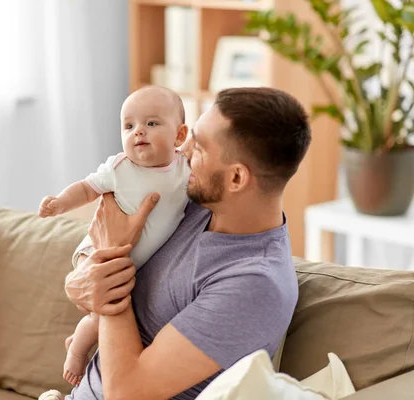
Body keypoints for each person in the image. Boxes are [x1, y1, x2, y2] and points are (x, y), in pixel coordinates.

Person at [62, 87, 311, 399]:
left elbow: (126, 393)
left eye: (201, 148)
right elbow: (87, 265)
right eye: (191, 136)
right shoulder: (188, 200)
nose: (183, 150)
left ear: (236, 178)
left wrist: (111, 263)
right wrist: (85, 275)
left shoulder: (254, 283)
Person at [38, 85, 191, 385]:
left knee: (113, 310)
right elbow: (86, 188)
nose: (139, 132)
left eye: (152, 123)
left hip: (128, 265)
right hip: (96, 250)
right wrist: (60, 203)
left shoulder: (185, 169)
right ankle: (78, 353)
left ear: (180, 136)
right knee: (105, 298)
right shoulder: (120, 168)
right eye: (129, 125)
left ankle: (79, 341)